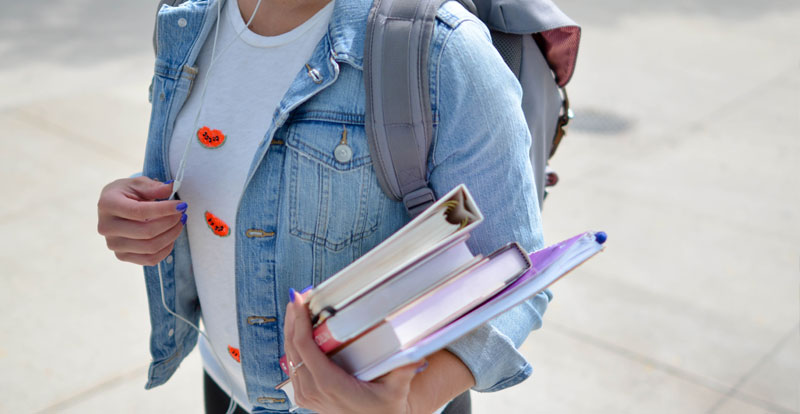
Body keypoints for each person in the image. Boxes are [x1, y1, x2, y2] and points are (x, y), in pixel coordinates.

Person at [96, 0, 553, 412]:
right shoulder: (187, 18)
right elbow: (202, 176)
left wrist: (412, 401)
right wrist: (134, 215)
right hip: (225, 384)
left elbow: (515, 272)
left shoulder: (442, 50)